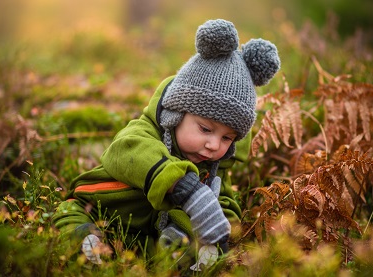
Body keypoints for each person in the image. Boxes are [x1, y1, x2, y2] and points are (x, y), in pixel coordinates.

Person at [52, 18, 280, 268]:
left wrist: (220, 231)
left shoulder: (214, 165)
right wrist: (183, 185)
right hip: (99, 208)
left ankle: (172, 253)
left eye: (227, 138)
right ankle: (86, 240)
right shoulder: (144, 132)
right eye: (205, 129)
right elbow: (126, 150)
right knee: (69, 212)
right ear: (176, 114)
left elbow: (223, 199)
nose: (214, 145)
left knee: (186, 242)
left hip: (145, 235)